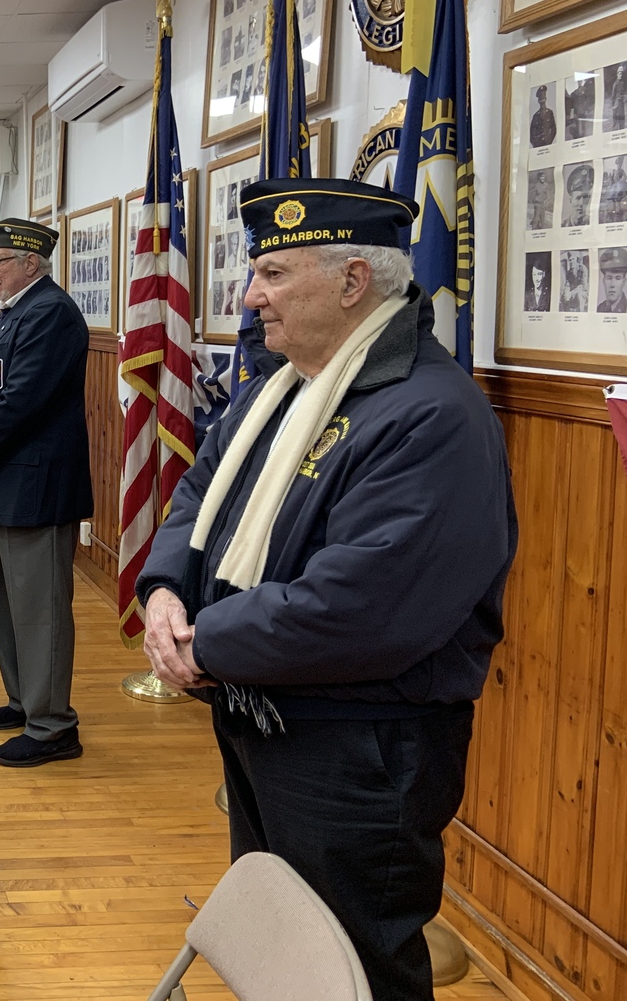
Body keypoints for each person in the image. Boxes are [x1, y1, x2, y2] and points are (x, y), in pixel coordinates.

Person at [136, 178, 517, 1001]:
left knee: (353, 970)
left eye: (273, 273)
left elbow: (359, 606)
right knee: (284, 963)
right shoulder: (283, 386)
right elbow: (198, 496)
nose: (250, 296)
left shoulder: (432, 416)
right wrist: (164, 592)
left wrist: (203, 644)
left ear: (352, 281)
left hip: (359, 754)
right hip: (265, 720)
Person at [0, 216, 92, 767]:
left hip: (39, 483)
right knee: (14, 604)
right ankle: (24, 701)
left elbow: (18, 401)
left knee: (40, 609)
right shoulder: (19, 311)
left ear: (31, 262)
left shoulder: (52, 314)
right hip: (12, 479)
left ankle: (53, 724)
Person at [599, 247, 627, 312]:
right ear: (604, 280)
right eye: (609, 278)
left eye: (618, 278)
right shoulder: (599, 308)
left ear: (624, 282)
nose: (612, 285)